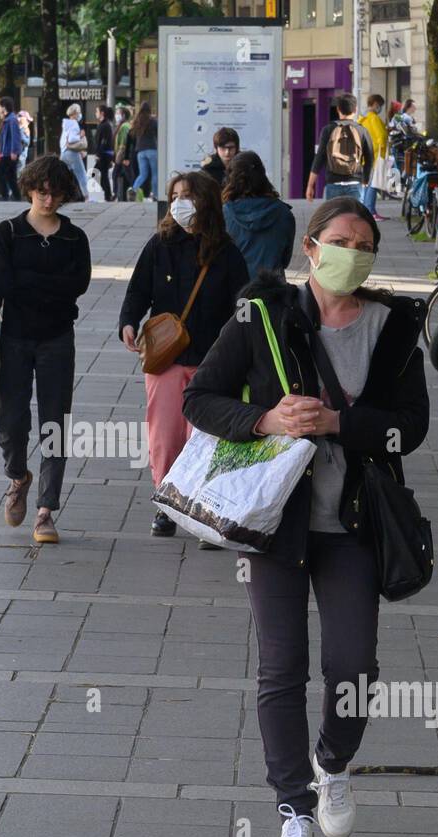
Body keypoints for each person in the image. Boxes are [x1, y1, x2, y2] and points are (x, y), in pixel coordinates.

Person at [181, 196, 429, 837]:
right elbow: (198, 398)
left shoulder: (394, 326)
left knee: (354, 665)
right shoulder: (262, 315)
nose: (352, 252)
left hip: (352, 523)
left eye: (364, 244)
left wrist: (340, 425)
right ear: (311, 248)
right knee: (281, 666)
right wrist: (266, 419)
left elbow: (412, 426)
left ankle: (333, 760)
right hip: (276, 521)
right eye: (340, 239)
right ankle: (293, 809)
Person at [118, 170, 249, 539]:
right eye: (174, 195)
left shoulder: (226, 252)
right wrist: (128, 322)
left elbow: (242, 304)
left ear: (205, 200)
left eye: (187, 195)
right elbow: (137, 291)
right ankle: (168, 502)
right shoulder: (160, 244)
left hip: (213, 361)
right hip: (166, 359)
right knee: (165, 436)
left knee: (204, 438)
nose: (179, 203)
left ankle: (204, 510)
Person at [0, 155, 92, 544]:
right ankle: (18, 476)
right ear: (30, 188)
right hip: (13, 339)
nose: (48, 200)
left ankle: (46, 510)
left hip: (57, 339)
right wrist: (49, 283)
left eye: (56, 193)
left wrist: (28, 280)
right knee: (12, 423)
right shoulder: (9, 232)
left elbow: (77, 284)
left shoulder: (73, 237)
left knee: (55, 424)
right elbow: (2, 283)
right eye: (41, 191)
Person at [223, 151, 296, 280]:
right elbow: (284, 261)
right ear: (262, 175)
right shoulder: (284, 214)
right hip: (274, 291)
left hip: (237, 290)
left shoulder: (224, 214)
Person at [308, 94, 373, 203]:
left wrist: (310, 185)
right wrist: (365, 180)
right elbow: (370, 158)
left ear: (338, 109)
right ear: (355, 109)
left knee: (333, 217)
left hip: (333, 183)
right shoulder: (362, 131)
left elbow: (319, 158)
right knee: (355, 217)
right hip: (355, 183)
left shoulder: (328, 129)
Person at [358, 94, 390, 220]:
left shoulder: (363, 119)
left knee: (366, 185)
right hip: (376, 156)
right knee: (373, 184)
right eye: (380, 105)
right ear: (375, 104)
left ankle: (366, 210)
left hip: (365, 156)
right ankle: (370, 211)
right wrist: (384, 150)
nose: (380, 107)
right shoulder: (374, 118)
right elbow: (381, 136)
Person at [57, 103, 88, 203]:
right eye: (79, 112)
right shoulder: (74, 124)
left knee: (65, 176)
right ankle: (87, 196)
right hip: (72, 153)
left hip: (64, 153)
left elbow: (64, 140)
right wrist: (81, 135)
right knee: (82, 174)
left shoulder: (66, 124)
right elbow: (72, 139)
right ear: (74, 113)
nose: (80, 115)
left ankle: (60, 195)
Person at [128, 102, 158, 202]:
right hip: (152, 150)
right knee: (154, 174)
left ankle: (134, 189)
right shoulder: (153, 121)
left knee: (142, 174)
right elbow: (159, 133)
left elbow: (131, 135)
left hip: (140, 151)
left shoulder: (137, 121)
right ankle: (155, 195)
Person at [0, 96, 23, 202]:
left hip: (9, 153)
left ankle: (5, 195)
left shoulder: (11, 120)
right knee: (10, 176)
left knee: (0, 174)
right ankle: (16, 196)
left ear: (4, 107)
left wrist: (14, 151)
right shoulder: (8, 120)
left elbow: (15, 136)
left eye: (0, 107)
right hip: (6, 152)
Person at [113, 105, 136, 201]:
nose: (116, 115)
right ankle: (122, 196)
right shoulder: (125, 125)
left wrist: (120, 158)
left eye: (118, 113)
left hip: (122, 157)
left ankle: (117, 195)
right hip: (124, 156)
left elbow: (124, 144)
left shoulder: (124, 126)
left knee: (117, 175)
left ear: (123, 115)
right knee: (125, 176)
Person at [93, 105, 116, 202]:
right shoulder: (103, 124)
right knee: (102, 174)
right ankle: (108, 195)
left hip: (104, 154)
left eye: (97, 111)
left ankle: (108, 195)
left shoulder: (105, 125)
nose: (95, 113)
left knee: (98, 173)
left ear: (102, 113)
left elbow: (104, 141)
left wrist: (99, 154)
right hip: (104, 154)